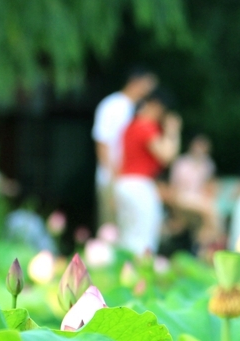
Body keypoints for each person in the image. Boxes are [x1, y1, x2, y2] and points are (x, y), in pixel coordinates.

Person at [113, 89, 181, 256]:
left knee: (128, 234)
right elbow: (167, 155)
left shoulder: (131, 125)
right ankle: (141, 275)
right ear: (157, 107)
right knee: (144, 236)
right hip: (139, 184)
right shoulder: (145, 126)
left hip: (124, 183)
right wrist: (173, 130)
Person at [91, 68, 158, 226]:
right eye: (148, 86)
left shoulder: (137, 110)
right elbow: (102, 143)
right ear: (135, 82)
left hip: (129, 181)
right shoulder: (112, 105)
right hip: (111, 179)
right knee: (110, 229)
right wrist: (113, 177)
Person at [168, 134, 220, 251]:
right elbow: (174, 187)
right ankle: (217, 240)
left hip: (199, 201)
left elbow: (210, 187)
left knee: (204, 221)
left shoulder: (208, 165)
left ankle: (202, 246)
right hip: (183, 198)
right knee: (210, 209)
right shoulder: (181, 163)